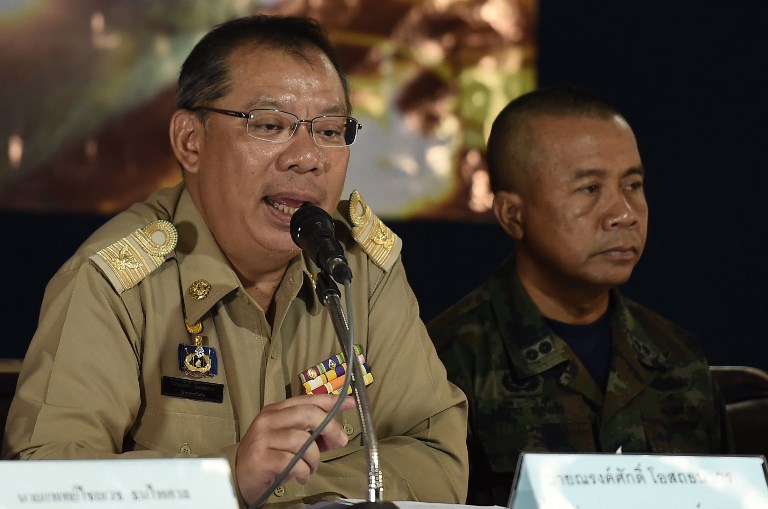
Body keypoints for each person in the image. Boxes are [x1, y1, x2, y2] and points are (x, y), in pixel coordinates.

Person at [2, 15, 468, 507]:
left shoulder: (356, 269)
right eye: (270, 125)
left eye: (330, 131)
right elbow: (44, 486)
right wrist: (226, 479)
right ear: (190, 142)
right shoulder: (113, 282)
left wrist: (276, 487)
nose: (308, 158)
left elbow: (439, 459)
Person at [428, 86, 731, 506]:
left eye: (634, 185)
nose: (624, 213)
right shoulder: (444, 364)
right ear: (512, 215)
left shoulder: (676, 356)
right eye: (590, 189)